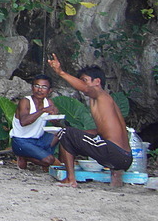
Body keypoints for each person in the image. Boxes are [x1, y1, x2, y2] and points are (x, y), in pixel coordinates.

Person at [47, 54, 132, 188]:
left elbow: (86, 88)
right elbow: (101, 131)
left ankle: (70, 179)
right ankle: (116, 176)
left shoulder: (100, 94)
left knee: (65, 132)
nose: (82, 84)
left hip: (113, 152)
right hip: (125, 157)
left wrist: (60, 72)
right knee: (69, 135)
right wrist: (77, 136)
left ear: (97, 82)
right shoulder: (107, 102)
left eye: (85, 80)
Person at [10, 74, 58, 170]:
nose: (39, 90)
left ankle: (37, 154)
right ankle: (24, 156)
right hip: (21, 140)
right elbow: (24, 122)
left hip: (38, 140)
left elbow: (56, 123)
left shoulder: (49, 102)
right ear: (32, 88)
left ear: (49, 91)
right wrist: (43, 111)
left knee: (61, 134)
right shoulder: (25, 101)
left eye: (44, 87)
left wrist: (55, 117)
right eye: (37, 86)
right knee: (49, 161)